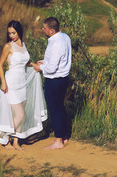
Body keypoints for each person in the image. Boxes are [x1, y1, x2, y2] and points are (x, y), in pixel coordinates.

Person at [0, 20, 47, 150]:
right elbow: (0, 65)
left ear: (19, 32)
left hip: (22, 83)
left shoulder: (23, 45)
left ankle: (16, 142)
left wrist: (34, 64)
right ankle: (5, 138)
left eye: (14, 32)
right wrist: (3, 82)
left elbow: (25, 61)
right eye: (9, 33)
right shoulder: (8, 46)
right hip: (11, 83)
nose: (11, 35)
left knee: (19, 115)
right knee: (20, 114)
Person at [32, 17, 72, 150]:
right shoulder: (65, 37)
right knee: (60, 107)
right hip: (63, 78)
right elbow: (60, 59)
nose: (43, 30)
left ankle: (58, 140)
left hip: (54, 80)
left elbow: (51, 69)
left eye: (44, 28)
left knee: (54, 109)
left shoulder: (55, 44)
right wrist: (45, 61)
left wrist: (40, 67)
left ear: (52, 30)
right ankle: (64, 136)